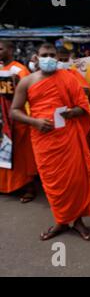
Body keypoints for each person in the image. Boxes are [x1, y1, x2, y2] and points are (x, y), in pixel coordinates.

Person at [11, 43, 90, 241]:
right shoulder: (27, 82)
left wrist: (72, 112)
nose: (48, 58)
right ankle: (61, 220)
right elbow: (14, 111)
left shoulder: (68, 77)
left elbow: (83, 106)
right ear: (37, 57)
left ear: (57, 57)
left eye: (51, 55)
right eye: (44, 55)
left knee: (76, 181)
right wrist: (35, 122)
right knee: (52, 183)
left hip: (69, 138)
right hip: (43, 141)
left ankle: (79, 221)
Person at [0, 40, 38, 203]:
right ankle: (4, 186)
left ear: (11, 50)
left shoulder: (20, 70)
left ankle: (29, 187)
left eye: (1, 48)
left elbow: (30, 93)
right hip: (2, 119)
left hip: (17, 119)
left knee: (22, 156)